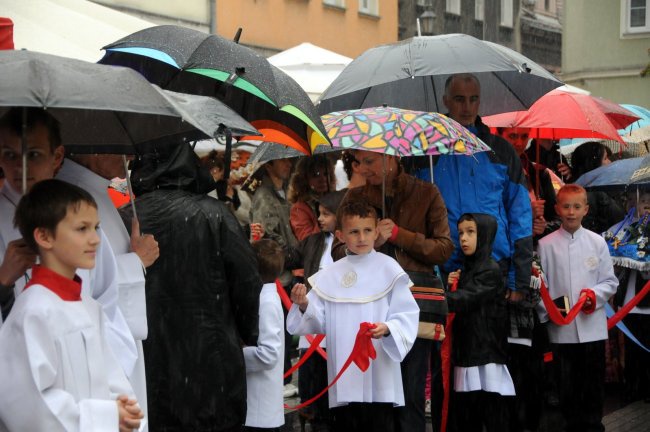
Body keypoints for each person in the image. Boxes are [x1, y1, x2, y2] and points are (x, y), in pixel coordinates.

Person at [121, 142, 262, 432]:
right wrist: (247, 330)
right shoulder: (215, 213)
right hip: (212, 353)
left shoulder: (126, 217)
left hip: (150, 356)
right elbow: (247, 278)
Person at [0, 108, 138, 380]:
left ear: (57, 157)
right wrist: (3, 282)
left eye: (34, 155)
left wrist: (106, 385)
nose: (21, 168)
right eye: (10, 155)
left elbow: (107, 305)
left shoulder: (78, 218)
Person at [0, 179, 143, 431]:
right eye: (82, 229)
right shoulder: (32, 312)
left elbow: (112, 380)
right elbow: (30, 409)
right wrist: (107, 415)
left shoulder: (88, 306)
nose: (95, 240)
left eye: (96, 228)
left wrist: (125, 411)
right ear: (44, 236)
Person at [333, 150, 453, 432]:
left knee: (410, 393)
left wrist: (401, 235)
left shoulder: (426, 192)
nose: (362, 168)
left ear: (391, 159)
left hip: (412, 307)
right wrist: (370, 242)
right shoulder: (354, 197)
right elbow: (337, 251)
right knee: (374, 396)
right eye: (360, 162)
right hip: (367, 306)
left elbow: (444, 249)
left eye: (370, 161)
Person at [288, 200, 419, 432]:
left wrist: (388, 328)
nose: (361, 238)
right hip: (344, 367)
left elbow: (406, 314)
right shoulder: (331, 274)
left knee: (381, 423)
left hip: (379, 364)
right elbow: (320, 321)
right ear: (340, 235)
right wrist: (304, 304)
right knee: (347, 422)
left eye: (368, 230)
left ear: (376, 231)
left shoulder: (390, 269)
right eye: (354, 232)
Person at [57, 152, 160, 427]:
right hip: (104, 351)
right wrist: (136, 261)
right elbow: (83, 289)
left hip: (114, 341)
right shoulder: (74, 197)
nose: (128, 156)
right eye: (117, 148)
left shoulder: (94, 191)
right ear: (93, 150)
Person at [538, 184, 618, 432]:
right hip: (561, 331)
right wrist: (549, 310)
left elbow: (610, 281)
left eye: (576, 206)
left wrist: (594, 296)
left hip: (591, 327)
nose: (571, 212)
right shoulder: (546, 245)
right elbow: (542, 285)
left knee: (592, 384)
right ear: (557, 209)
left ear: (586, 209)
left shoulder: (597, 242)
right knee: (566, 386)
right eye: (566, 206)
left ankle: (594, 425)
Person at [446, 213, 514, 432]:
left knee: (490, 413)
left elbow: (467, 299)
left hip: (485, 356)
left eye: (471, 232)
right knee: (469, 415)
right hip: (468, 352)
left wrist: (436, 297)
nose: (463, 238)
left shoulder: (490, 270)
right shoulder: (467, 270)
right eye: (461, 233)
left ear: (484, 234)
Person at [290, 190, 345, 431]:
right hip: (311, 323)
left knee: (330, 389)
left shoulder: (348, 244)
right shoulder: (313, 241)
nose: (320, 219)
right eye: (319, 214)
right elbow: (290, 256)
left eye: (326, 214)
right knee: (311, 386)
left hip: (335, 324)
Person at [250, 157, 299, 394]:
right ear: (269, 165)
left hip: (288, 270)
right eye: (282, 161)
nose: (288, 164)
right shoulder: (264, 195)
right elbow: (266, 236)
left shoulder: (285, 191)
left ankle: (283, 376)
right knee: (276, 328)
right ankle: (280, 379)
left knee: (285, 328)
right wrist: (288, 253)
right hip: (277, 272)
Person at [607, 189, 650, 403]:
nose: (640, 205)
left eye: (644, 201)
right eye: (635, 200)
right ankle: (633, 386)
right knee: (632, 346)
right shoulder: (622, 229)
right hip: (631, 300)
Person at [244, 239, 285, 432]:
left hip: (260, 410)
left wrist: (235, 354)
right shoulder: (266, 296)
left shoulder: (266, 302)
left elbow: (268, 355)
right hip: (260, 409)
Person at [568, 141, 625, 234]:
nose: (610, 162)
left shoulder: (607, 187)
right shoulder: (588, 194)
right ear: (593, 163)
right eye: (605, 158)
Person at [288, 155, 336, 241]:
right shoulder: (299, 209)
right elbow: (308, 242)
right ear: (304, 180)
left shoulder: (335, 199)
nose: (323, 179)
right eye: (316, 175)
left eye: (326, 174)